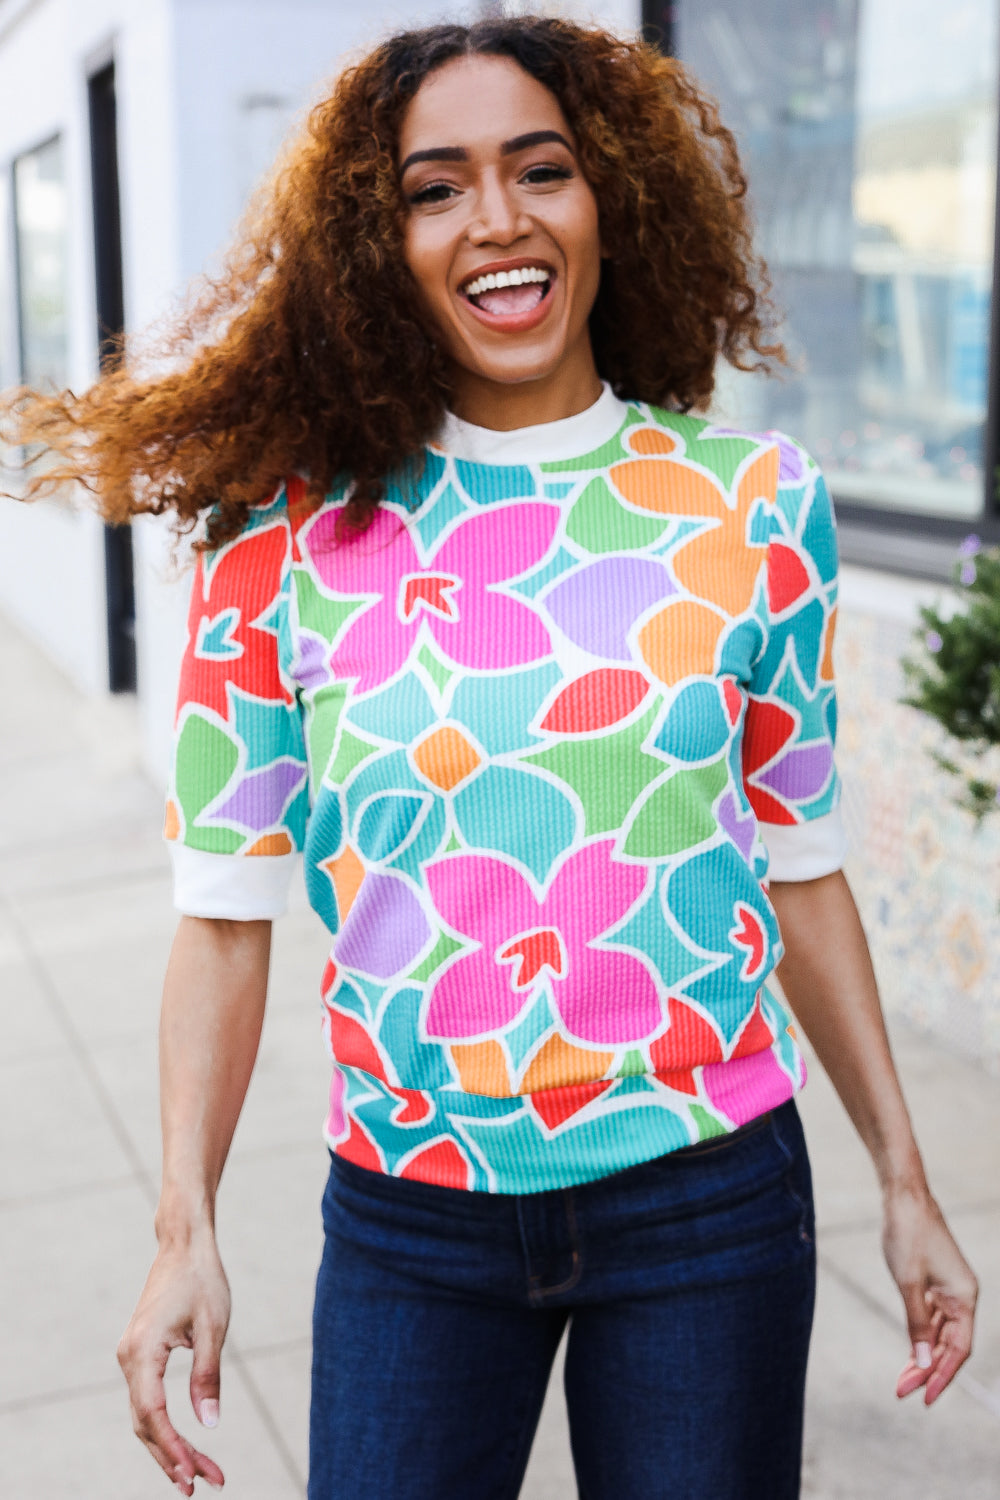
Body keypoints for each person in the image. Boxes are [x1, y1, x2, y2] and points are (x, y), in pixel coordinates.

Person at [4, 17, 977, 1499]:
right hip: (413, 1221)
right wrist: (182, 1226)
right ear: (376, 246)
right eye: (435, 188)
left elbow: (803, 868)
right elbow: (223, 919)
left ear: (611, 203)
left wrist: (905, 1181)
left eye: (541, 170)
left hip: (707, 1201)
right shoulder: (280, 541)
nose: (498, 220)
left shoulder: (756, 504)